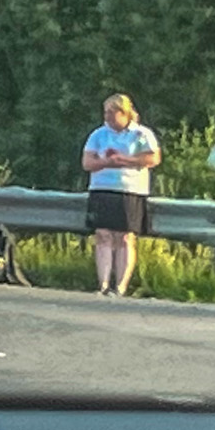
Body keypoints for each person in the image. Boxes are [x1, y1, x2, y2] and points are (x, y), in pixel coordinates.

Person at [82, 92, 160, 297]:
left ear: (124, 113)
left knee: (125, 237)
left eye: (111, 112)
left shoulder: (141, 134)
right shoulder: (98, 135)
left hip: (130, 190)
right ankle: (104, 284)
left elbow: (153, 159)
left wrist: (124, 160)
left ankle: (121, 286)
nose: (107, 116)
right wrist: (107, 162)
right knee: (103, 235)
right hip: (102, 189)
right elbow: (87, 163)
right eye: (105, 112)